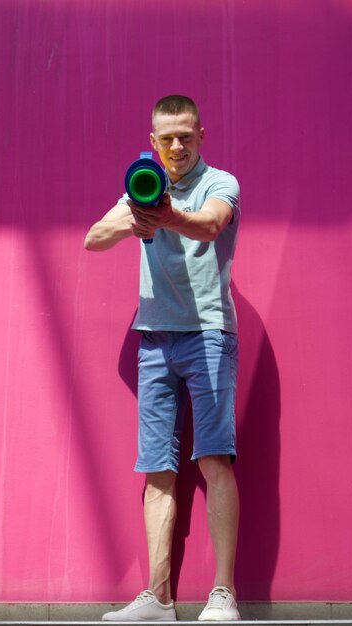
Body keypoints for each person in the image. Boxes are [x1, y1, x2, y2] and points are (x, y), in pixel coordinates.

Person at [84, 95, 241, 622]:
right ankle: (158, 599)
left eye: (186, 136)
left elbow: (211, 225)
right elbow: (92, 239)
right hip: (155, 340)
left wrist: (168, 216)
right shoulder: (142, 185)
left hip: (208, 334)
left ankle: (223, 595)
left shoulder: (220, 182)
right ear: (153, 142)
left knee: (213, 459)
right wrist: (135, 220)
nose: (177, 146)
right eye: (167, 138)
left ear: (201, 135)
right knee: (157, 469)